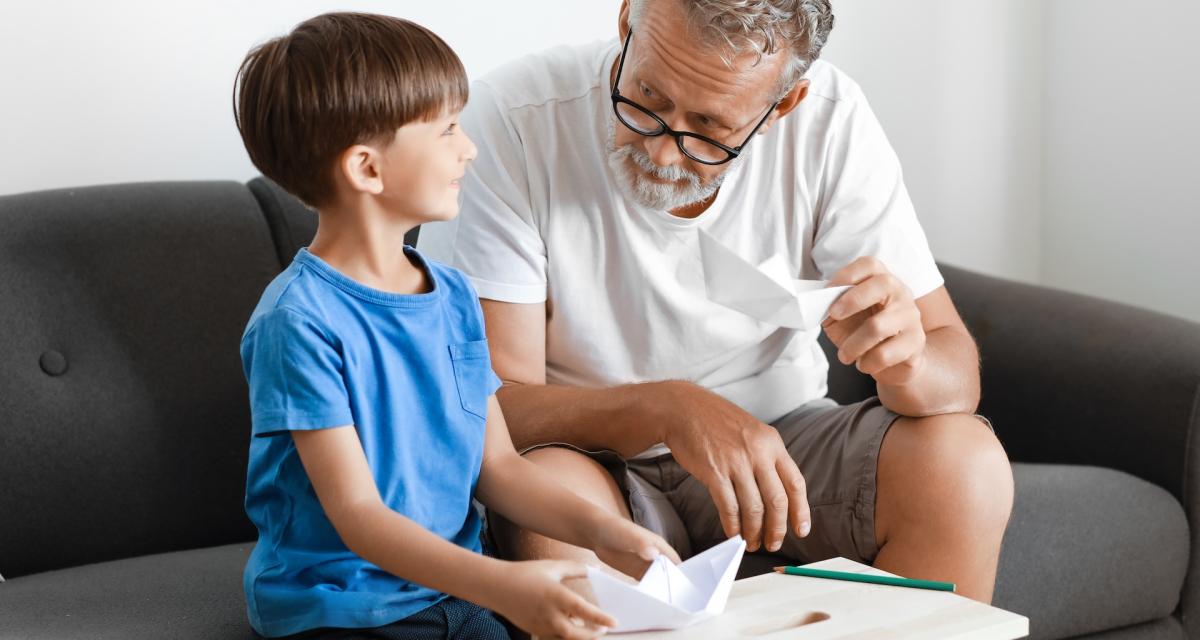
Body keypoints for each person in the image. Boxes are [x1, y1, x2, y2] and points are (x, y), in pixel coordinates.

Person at [418, 0, 1014, 603]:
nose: (663, 153)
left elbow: (954, 379)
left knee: (962, 462)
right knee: (547, 492)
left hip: (783, 444)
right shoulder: (512, 120)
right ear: (627, 21)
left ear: (782, 105)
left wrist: (909, 362)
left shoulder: (832, 122)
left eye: (709, 129)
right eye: (645, 99)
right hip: (586, 458)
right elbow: (486, 408)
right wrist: (666, 411)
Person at [234, 12, 678, 639]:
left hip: (452, 594)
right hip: (342, 609)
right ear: (367, 169)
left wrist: (611, 534)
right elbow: (358, 515)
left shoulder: (455, 295)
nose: (469, 147)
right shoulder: (298, 324)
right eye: (445, 130)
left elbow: (497, 467)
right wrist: (503, 584)